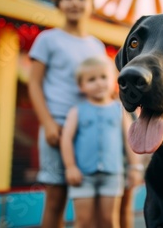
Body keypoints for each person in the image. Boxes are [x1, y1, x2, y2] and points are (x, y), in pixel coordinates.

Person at [28, 0, 106, 228]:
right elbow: (34, 84)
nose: (75, 2)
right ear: (58, 3)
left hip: (90, 129)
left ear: (92, 4)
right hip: (58, 126)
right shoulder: (47, 39)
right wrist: (48, 123)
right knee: (55, 199)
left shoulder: (97, 46)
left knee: (90, 200)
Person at [60, 57, 143, 228]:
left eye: (103, 77)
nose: (99, 83)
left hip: (112, 175)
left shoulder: (119, 110)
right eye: (91, 80)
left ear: (113, 80)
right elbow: (66, 138)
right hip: (83, 176)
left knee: (109, 221)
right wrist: (70, 167)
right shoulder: (77, 111)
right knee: (83, 222)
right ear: (81, 86)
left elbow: (129, 140)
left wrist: (135, 167)